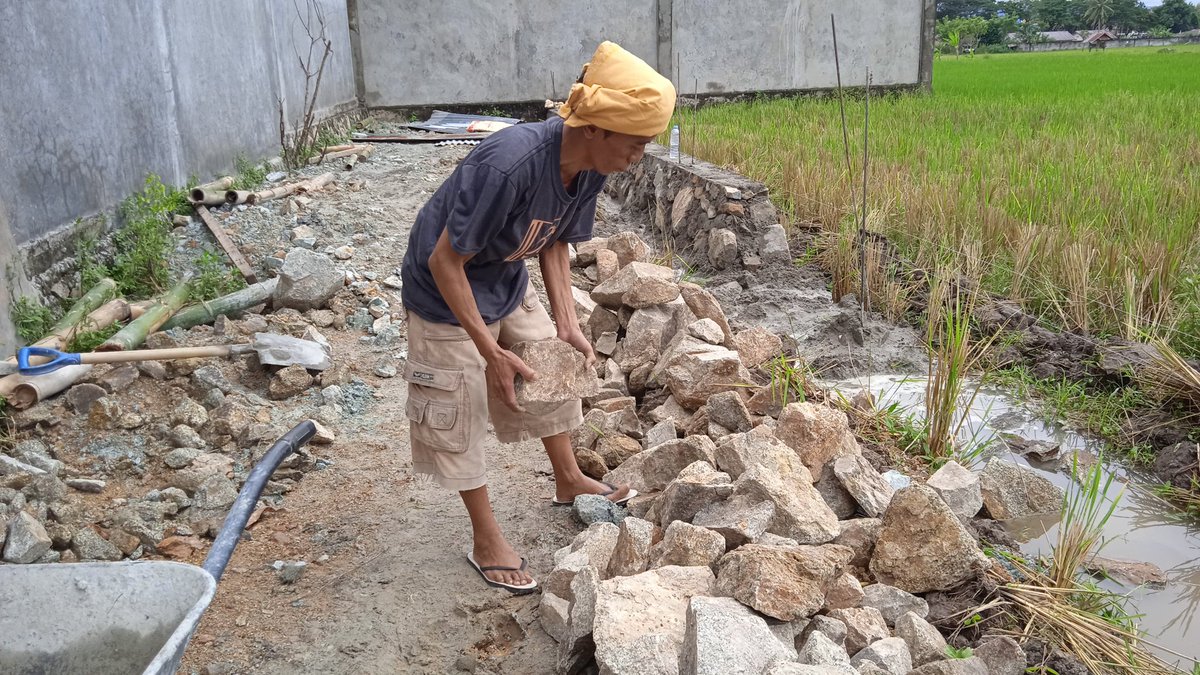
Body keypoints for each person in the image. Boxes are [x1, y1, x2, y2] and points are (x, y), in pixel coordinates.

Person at [400, 41, 677, 594]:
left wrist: (567, 321)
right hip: (444, 290)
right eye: (637, 142)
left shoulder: (591, 166)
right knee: (461, 407)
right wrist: (489, 351)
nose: (639, 155)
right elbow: (444, 260)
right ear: (595, 126)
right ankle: (485, 536)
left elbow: (554, 241)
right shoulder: (509, 164)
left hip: (503, 276)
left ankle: (569, 478)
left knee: (552, 365)